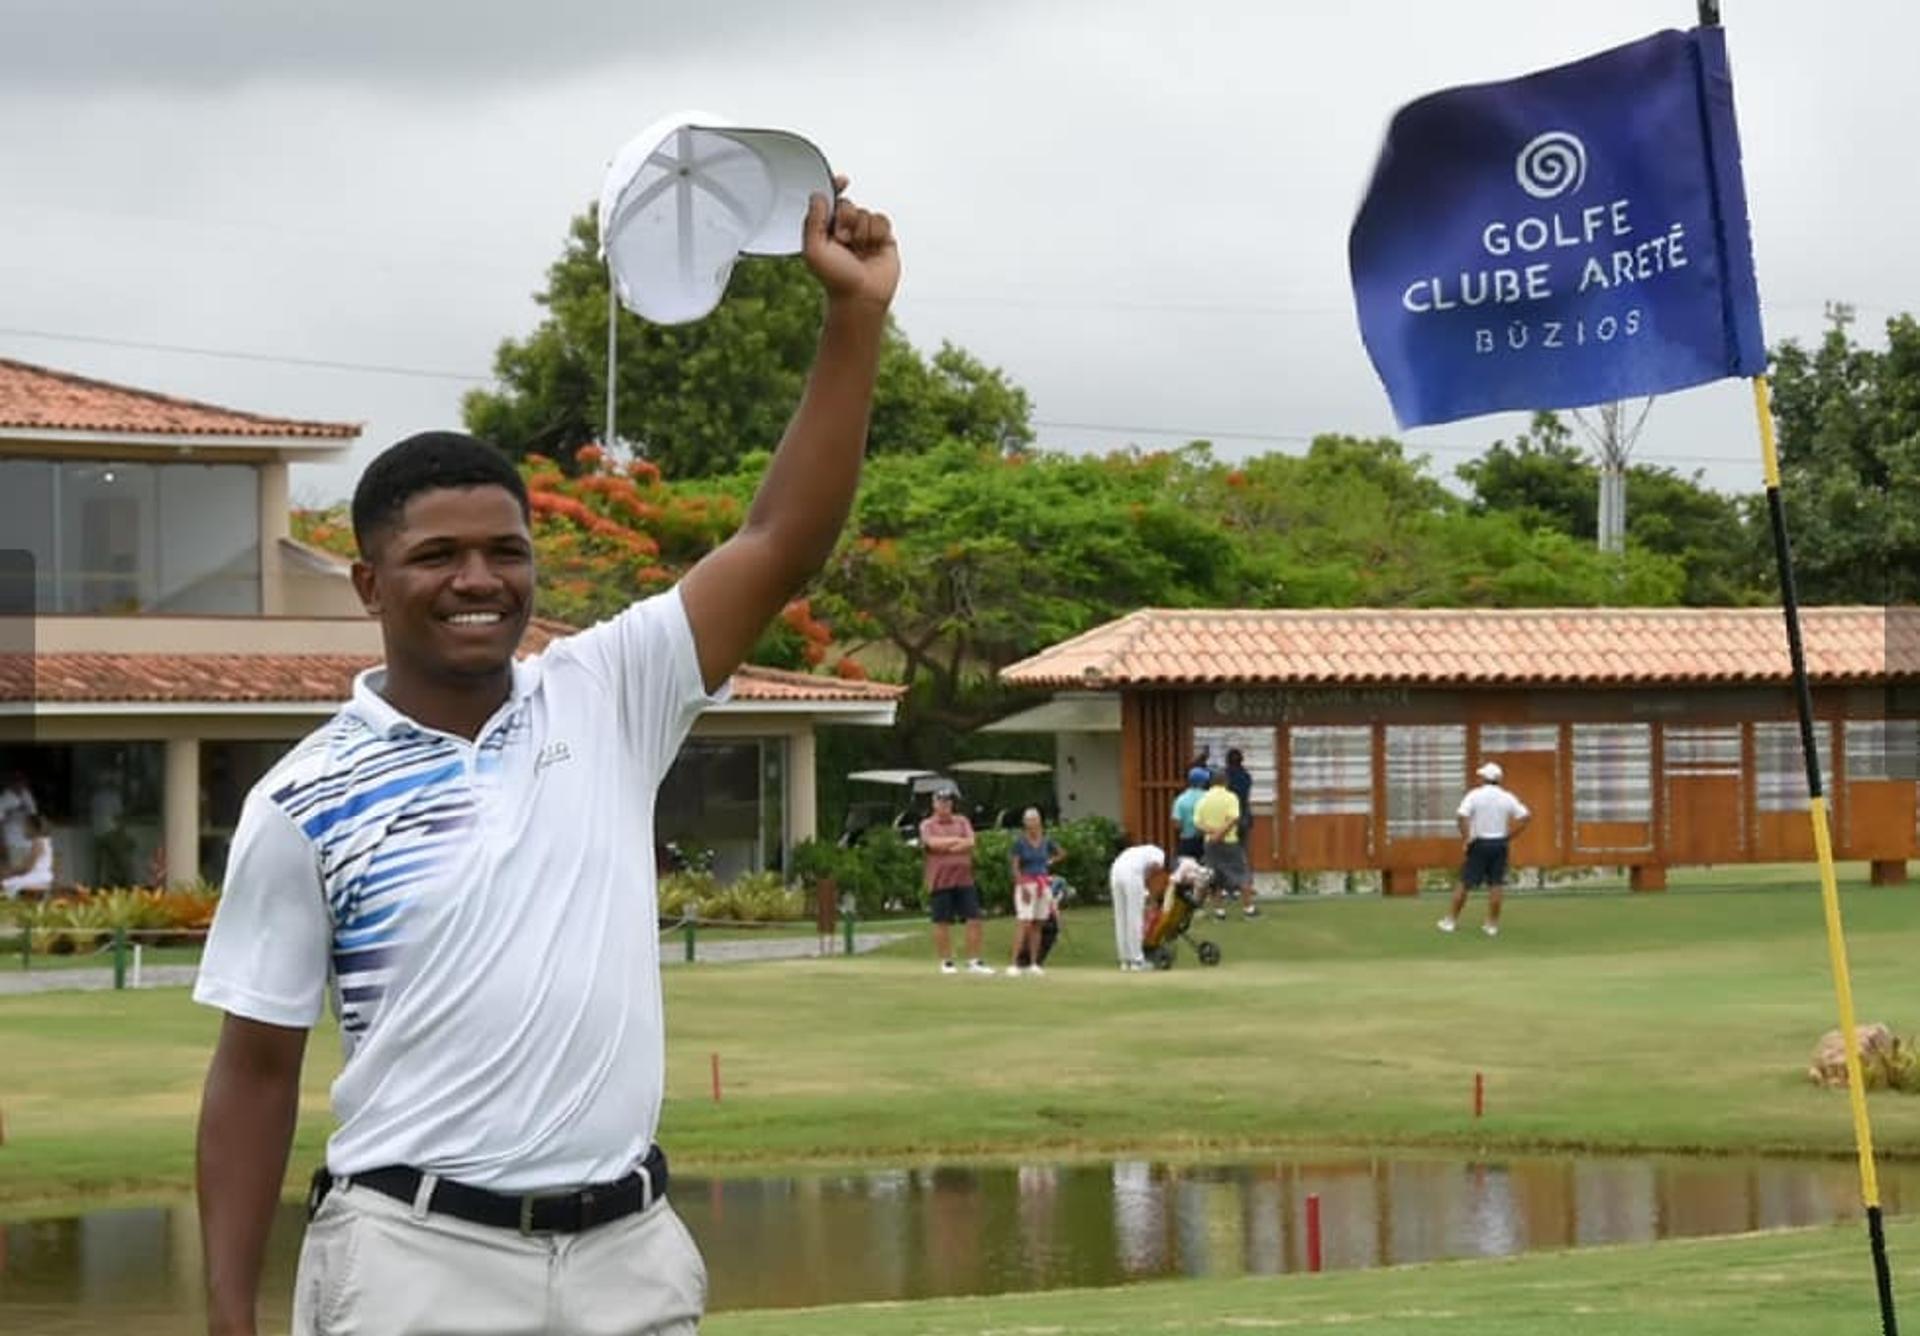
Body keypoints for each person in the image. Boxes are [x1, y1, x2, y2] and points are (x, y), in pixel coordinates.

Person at [191, 181, 899, 1336]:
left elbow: (781, 542)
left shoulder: (607, 691)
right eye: (438, 555)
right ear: (370, 582)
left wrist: (854, 315)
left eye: (506, 551)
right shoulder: (304, 799)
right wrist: (229, 1313)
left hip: (630, 1254)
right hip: (414, 1255)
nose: (480, 579)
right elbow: (256, 1072)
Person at [1439, 760, 1532, 938]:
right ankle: (1492, 925)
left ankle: (1450, 921)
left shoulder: (1475, 795)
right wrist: (1509, 836)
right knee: (1496, 884)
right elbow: (1525, 817)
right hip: (1499, 844)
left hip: (1479, 843)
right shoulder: (1507, 797)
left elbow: (1461, 816)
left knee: (1465, 882)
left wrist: (1466, 838)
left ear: (1484, 779)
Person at [920, 783, 993, 976]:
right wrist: (955, 841)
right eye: (941, 801)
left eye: (948, 801)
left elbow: (970, 842)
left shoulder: (962, 821)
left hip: (964, 879)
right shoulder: (928, 825)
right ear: (934, 804)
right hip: (940, 879)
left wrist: (949, 845)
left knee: (974, 918)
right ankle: (947, 962)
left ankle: (974, 961)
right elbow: (932, 844)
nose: (945, 805)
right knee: (942, 921)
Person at [1007, 807, 1064, 976]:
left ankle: (1034, 963)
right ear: (1025, 823)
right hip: (1026, 883)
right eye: (1028, 820)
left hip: (1042, 883)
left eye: (1034, 819)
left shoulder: (1046, 841)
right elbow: (1015, 867)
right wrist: (1021, 886)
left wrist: (1050, 861)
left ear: (1039, 821)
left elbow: (1061, 853)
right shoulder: (1020, 842)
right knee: (1024, 922)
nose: (1032, 823)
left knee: (1038, 923)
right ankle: (1014, 964)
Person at [1194, 768, 1255, 919]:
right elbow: (1233, 818)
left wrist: (1212, 832)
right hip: (1229, 841)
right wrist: (1220, 833)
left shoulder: (1203, 798)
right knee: (1242, 874)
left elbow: (1197, 822)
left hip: (1210, 843)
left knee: (1215, 876)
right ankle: (1249, 909)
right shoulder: (1230, 797)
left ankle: (1219, 912)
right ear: (1226, 782)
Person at [1107, 841, 1165, 971]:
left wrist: (1145, 891)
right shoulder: (1159, 855)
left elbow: (1147, 873)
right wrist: (1148, 893)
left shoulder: (1137, 852)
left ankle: (1124, 960)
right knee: (1134, 917)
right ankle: (1137, 961)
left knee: (1121, 917)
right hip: (1131, 873)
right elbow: (1154, 868)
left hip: (1115, 871)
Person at [1, 812, 52, 898]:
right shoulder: (43, 841)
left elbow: (26, 868)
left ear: (33, 828)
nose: (23, 830)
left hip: (37, 877)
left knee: (4, 884)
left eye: (25, 827)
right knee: (8, 881)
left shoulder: (38, 842)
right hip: (39, 876)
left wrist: (9, 872)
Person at [1169, 766, 1208, 863]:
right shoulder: (1209, 797)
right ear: (1202, 782)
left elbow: (1176, 824)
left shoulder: (1180, 799)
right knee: (1205, 873)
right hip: (1206, 840)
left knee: (1187, 872)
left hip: (1186, 841)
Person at [1224, 748, 1254, 846]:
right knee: (1242, 847)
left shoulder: (1224, 776)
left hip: (1227, 816)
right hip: (1243, 814)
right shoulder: (1246, 776)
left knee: (1227, 848)